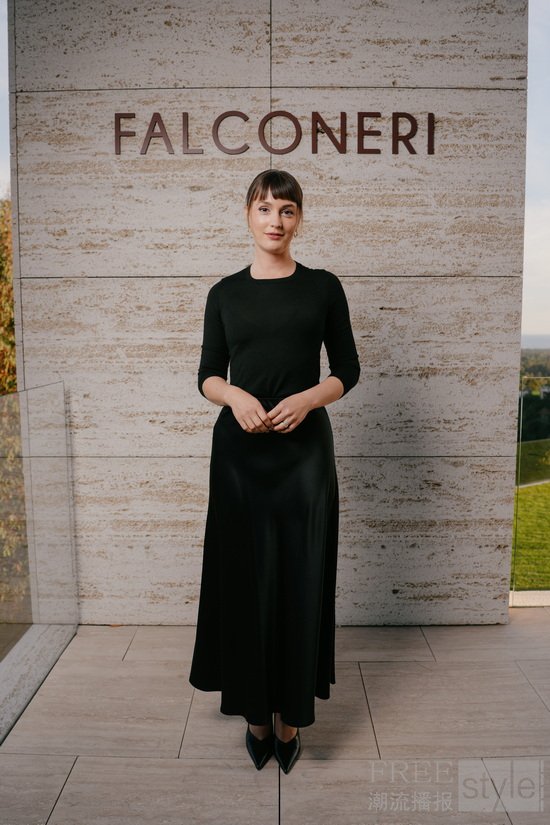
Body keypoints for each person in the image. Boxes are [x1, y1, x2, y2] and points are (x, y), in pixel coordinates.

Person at [188, 169, 360, 774]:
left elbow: (347, 368)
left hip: (304, 455)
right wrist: (234, 396)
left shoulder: (323, 287)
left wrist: (308, 400)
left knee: (299, 576)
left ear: (299, 219)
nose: (275, 220)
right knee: (245, 580)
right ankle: (255, 714)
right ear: (247, 215)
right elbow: (208, 374)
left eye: (286, 210)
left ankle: (291, 714)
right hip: (239, 458)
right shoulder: (224, 293)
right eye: (264, 208)